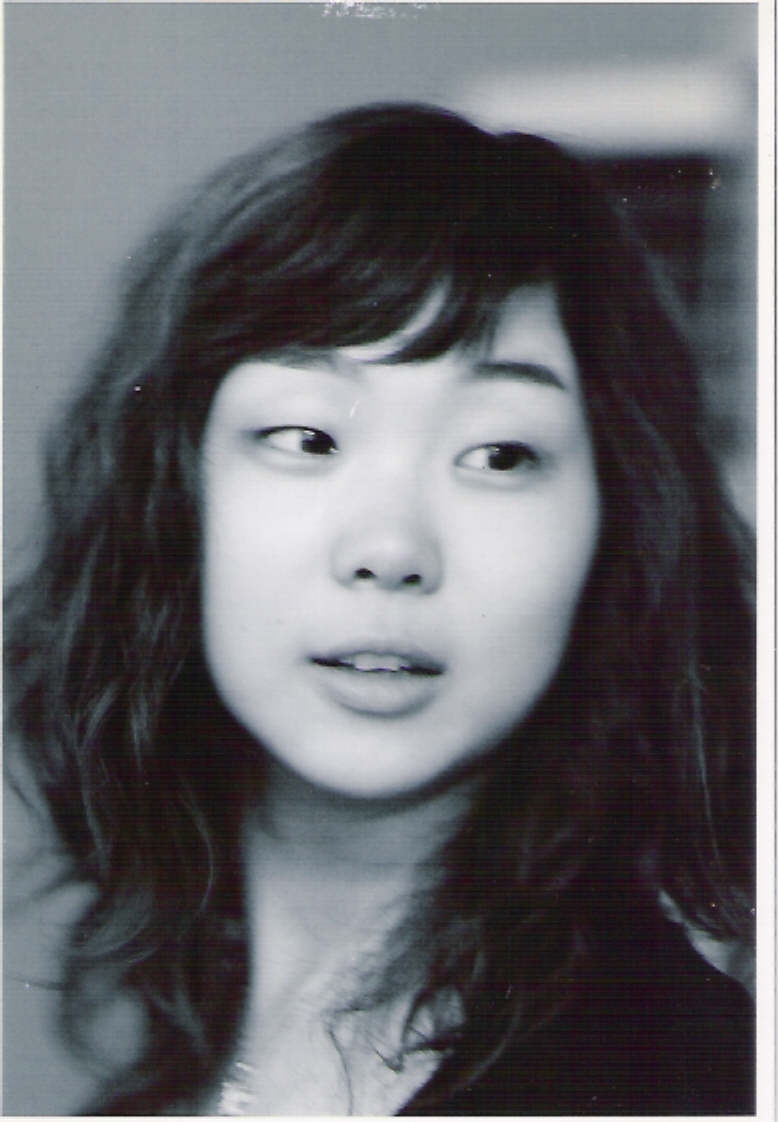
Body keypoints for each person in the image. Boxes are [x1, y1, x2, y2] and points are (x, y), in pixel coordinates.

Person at [5, 103, 755, 1115]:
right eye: (307, 438)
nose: (391, 548)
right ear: (170, 496)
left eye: (499, 454)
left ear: (616, 528)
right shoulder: (181, 1075)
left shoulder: (682, 1080)